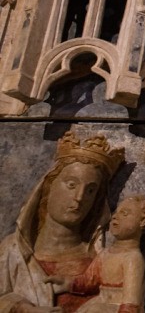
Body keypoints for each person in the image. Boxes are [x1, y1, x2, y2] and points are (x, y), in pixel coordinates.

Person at [0, 132, 124, 312]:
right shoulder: (13, 251)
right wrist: (23, 309)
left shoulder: (101, 260)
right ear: (48, 187)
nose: (79, 197)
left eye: (90, 191)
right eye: (71, 185)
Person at [47, 195, 145, 313]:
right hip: (99, 304)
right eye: (115, 212)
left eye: (124, 213)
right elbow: (89, 280)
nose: (115, 216)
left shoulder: (133, 259)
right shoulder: (105, 254)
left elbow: (131, 304)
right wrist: (66, 283)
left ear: (142, 220)